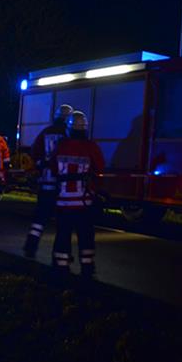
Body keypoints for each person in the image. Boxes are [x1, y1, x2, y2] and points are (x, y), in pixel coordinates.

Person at [50, 110, 105, 278]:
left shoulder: (60, 146)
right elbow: (100, 169)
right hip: (83, 203)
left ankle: (61, 267)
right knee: (86, 236)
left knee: (63, 235)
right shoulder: (91, 147)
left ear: (69, 128)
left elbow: (53, 168)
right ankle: (87, 267)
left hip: (63, 202)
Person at [22, 104, 73, 258]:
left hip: (46, 183)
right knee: (64, 221)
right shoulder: (69, 135)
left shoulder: (45, 132)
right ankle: (62, 252)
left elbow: (35, 152)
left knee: (40, 219)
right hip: (63, 185)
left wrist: (41, 165)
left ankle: (30, 246)